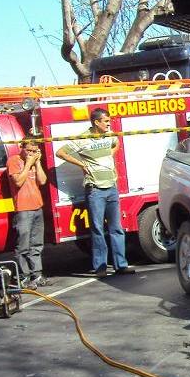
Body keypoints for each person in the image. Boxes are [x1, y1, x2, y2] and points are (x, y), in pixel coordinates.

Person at [56, 109, 134, 277]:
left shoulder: (109, 134)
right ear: (96, 122)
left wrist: (108, 159)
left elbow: (116, 143)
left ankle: (121, 265)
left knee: (117, 229)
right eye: (105, 121)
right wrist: (82, 165)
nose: (108, 123)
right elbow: (60, 152)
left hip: (112, 188)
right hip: (95, 190)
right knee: (98, 229)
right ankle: (101, 267)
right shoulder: (83, 138)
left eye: (109, 120)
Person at [7, 136, 49, 288]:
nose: (31, 153)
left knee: (36, 244)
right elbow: (18, 182)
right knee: (23, 245)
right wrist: (28, 164)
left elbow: (43, 180)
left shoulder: (34, 161)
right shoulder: (14, 160)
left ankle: (36, 275)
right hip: (23, 208)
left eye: (34, 150)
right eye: (28, 150)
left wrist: (37, 163)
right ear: (22, 148)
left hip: (37, 206)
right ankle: (23, 277)